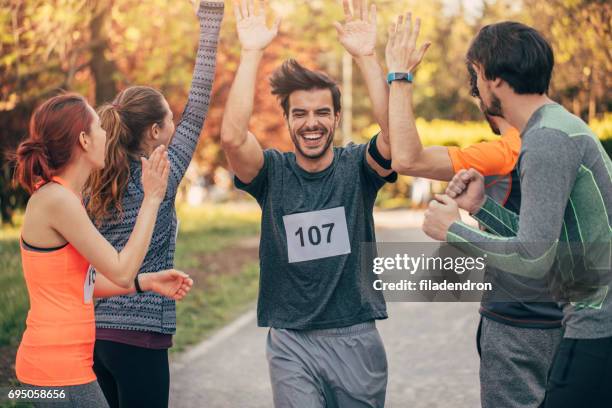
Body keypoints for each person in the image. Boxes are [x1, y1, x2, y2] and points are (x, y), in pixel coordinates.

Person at [220, 0, 403, 406]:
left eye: (322, 112)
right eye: (299, 113)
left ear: (337, 117)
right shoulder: (271, 173)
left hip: (355, 336)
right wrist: (251, 52)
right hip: (291, 343)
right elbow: (232, 138)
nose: (311, 123)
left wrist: (367, 58)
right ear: (286, 119)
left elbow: (395, 138)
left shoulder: (357, 167)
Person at [422, 21, 612, 407]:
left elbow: (533, 257)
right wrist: (480, 208)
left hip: (596, 324)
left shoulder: (545, 141)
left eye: (476, 75)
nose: (475, 88)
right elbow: (547, 243)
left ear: (492, 77)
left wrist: (453, 232)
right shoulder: (558, 126)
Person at [384, 14, 563, 407]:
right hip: (572, 319)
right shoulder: (570, 135)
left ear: (492, 84)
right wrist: (481, 207)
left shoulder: (507, 148)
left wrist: (398, 75)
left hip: (519, 322)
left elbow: (407, 158)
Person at [83, 1, 224, 407]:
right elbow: (199, 102)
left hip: (94, 335)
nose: (178, 126)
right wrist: (211, 19)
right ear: (156, 131)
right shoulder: (161, 173)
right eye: (170, 121)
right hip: (139, 334)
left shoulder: (94, 178)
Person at [13, 93, 193, 408]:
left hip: (53, 366)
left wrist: (144, 282)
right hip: (58, 370)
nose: (106, 134)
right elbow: (121, 268)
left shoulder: (64, 198)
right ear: (83, 139)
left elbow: (86, 284)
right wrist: (152, 199)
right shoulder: (58, 201)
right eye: (99, 128)